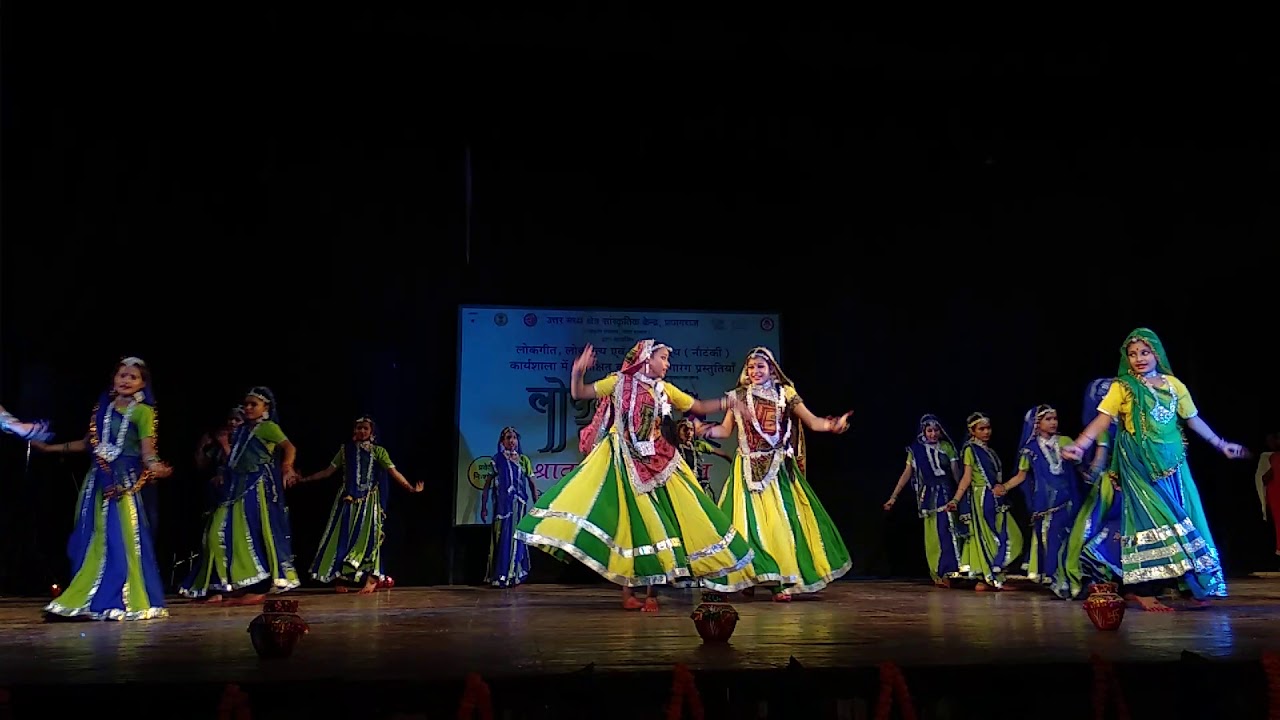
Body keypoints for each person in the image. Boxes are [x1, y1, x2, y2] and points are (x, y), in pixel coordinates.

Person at [515, 339, 756, 612]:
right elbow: (580, 393)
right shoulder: (618, 383)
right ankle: (628, 591)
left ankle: (653, 593)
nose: (667, 364)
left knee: (662, 522)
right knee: (631, 525)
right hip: (624, 460)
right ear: (645, 358)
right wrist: (577, 371)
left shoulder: (664, 390)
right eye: (663, 358)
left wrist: (729, 401)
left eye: (668, 359)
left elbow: (697, 408)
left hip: (659, 459)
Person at [1061, 328, 1246, 611]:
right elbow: (1103, 419)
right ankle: (1143, 589)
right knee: (1149, 521)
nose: (1139, 359)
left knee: (1184, 520)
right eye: (1132, 354)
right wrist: (1081, 444)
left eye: (1145, 352)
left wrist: (1220, 444)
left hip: (1173, 464)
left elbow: (1192, 419)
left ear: (1156, 354)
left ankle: (1193, 584)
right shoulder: (1122, 387)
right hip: (1138, 464)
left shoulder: (1174, 385)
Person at [699, 347, 853, 600]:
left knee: (781, 524)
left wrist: (833, 425)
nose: (755, 371)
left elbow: (813, 422)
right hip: (746, 470)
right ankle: (749, 574)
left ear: (772, 368)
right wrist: (701, 430)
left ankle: (781, 581)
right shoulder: (738, 396)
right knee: (744, 523)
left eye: (760, 366)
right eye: (751, 367)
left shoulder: (786, 394)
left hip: (777, 469)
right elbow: (725, 432)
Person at [32, 357, 172, 620]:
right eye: (122, 375)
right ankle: (89, 595)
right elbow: (88, 445)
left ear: (143, 383)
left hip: (123, 482)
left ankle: (123, 597)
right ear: (113, 379)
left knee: (121, 539)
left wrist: (156, 467)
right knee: (94, 538)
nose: (126, 381)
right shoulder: (102, 409)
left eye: (133, 377)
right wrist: (51, 449)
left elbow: (148, 453)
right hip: (97, 482)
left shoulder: (144, 412)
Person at [180, 386, 301, 604]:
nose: (248, 408)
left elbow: (289, 447)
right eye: (246, 404)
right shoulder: (243, 430)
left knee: (250, 536)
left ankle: (257, 587)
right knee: (217, 534)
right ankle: (233, 585)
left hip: (256, 487)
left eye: (253, 404)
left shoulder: (268, 427)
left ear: (266, 407)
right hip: (235, 486)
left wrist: (287, 466)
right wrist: (222, 473)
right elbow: (234, 459)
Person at [302, 416, 423, 592]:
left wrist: (410, 488)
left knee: (369, 539)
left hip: (369, 502)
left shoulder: (378, 451)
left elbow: (393, 472)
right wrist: (305, 479)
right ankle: (340, 579)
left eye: (365, 428)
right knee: (341, 539)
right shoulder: (345, 450)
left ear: (371, 432)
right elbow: (328, 472)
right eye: (359, 428)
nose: (362, 431)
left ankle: (372, 578)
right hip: (346, 502)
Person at [996, 405, 1081, 593]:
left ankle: (1070, 577)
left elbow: (1079, 461)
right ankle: (1055, 578)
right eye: (1048, 419)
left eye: (1055, 419)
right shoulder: (1030, 450)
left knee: (1069, 536)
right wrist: (1004, 487)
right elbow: (1021, 476)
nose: (1053, 422)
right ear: (1037, 423)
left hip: (1068, 498)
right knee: (1048, 537)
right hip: (1046, 501)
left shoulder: (1066, 440)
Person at [884, 414, 966, 587]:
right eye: (929, 430)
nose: (933, 434)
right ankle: (938, 573)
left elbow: (956, 473)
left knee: (948, 530)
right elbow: (907, 474)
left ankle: (951, 571)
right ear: (923, 431)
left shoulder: (947, 447)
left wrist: (962, 493)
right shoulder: (915, 450)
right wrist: (893, 497)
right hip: (927, 497)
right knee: (933, 535)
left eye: (936, 430)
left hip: (946, 493)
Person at [950, 412, 1024, 591]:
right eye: (981, 429)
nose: (986, 432)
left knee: (1010, 536)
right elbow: (966, 478)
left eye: (988, 428)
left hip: (995, 496)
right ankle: (989, 578)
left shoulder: (989, 451)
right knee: (989, 537)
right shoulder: (970, 450)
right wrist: (955, 499)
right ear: (972, 431)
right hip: (981, 498)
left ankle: (989, 578)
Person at [480, 426, 537, 588]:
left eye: (514, 437)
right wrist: (484, 507)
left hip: (519, 506)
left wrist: (538, 506)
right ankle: (501, 575)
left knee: (516, 539)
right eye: (508, 438)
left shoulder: (524, 460)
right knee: (502, 539)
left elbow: (532, 485)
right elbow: (487, 485)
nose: (511, 441)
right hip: (502, 507)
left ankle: (513, 575)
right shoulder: (497, 459)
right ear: (502, 441)